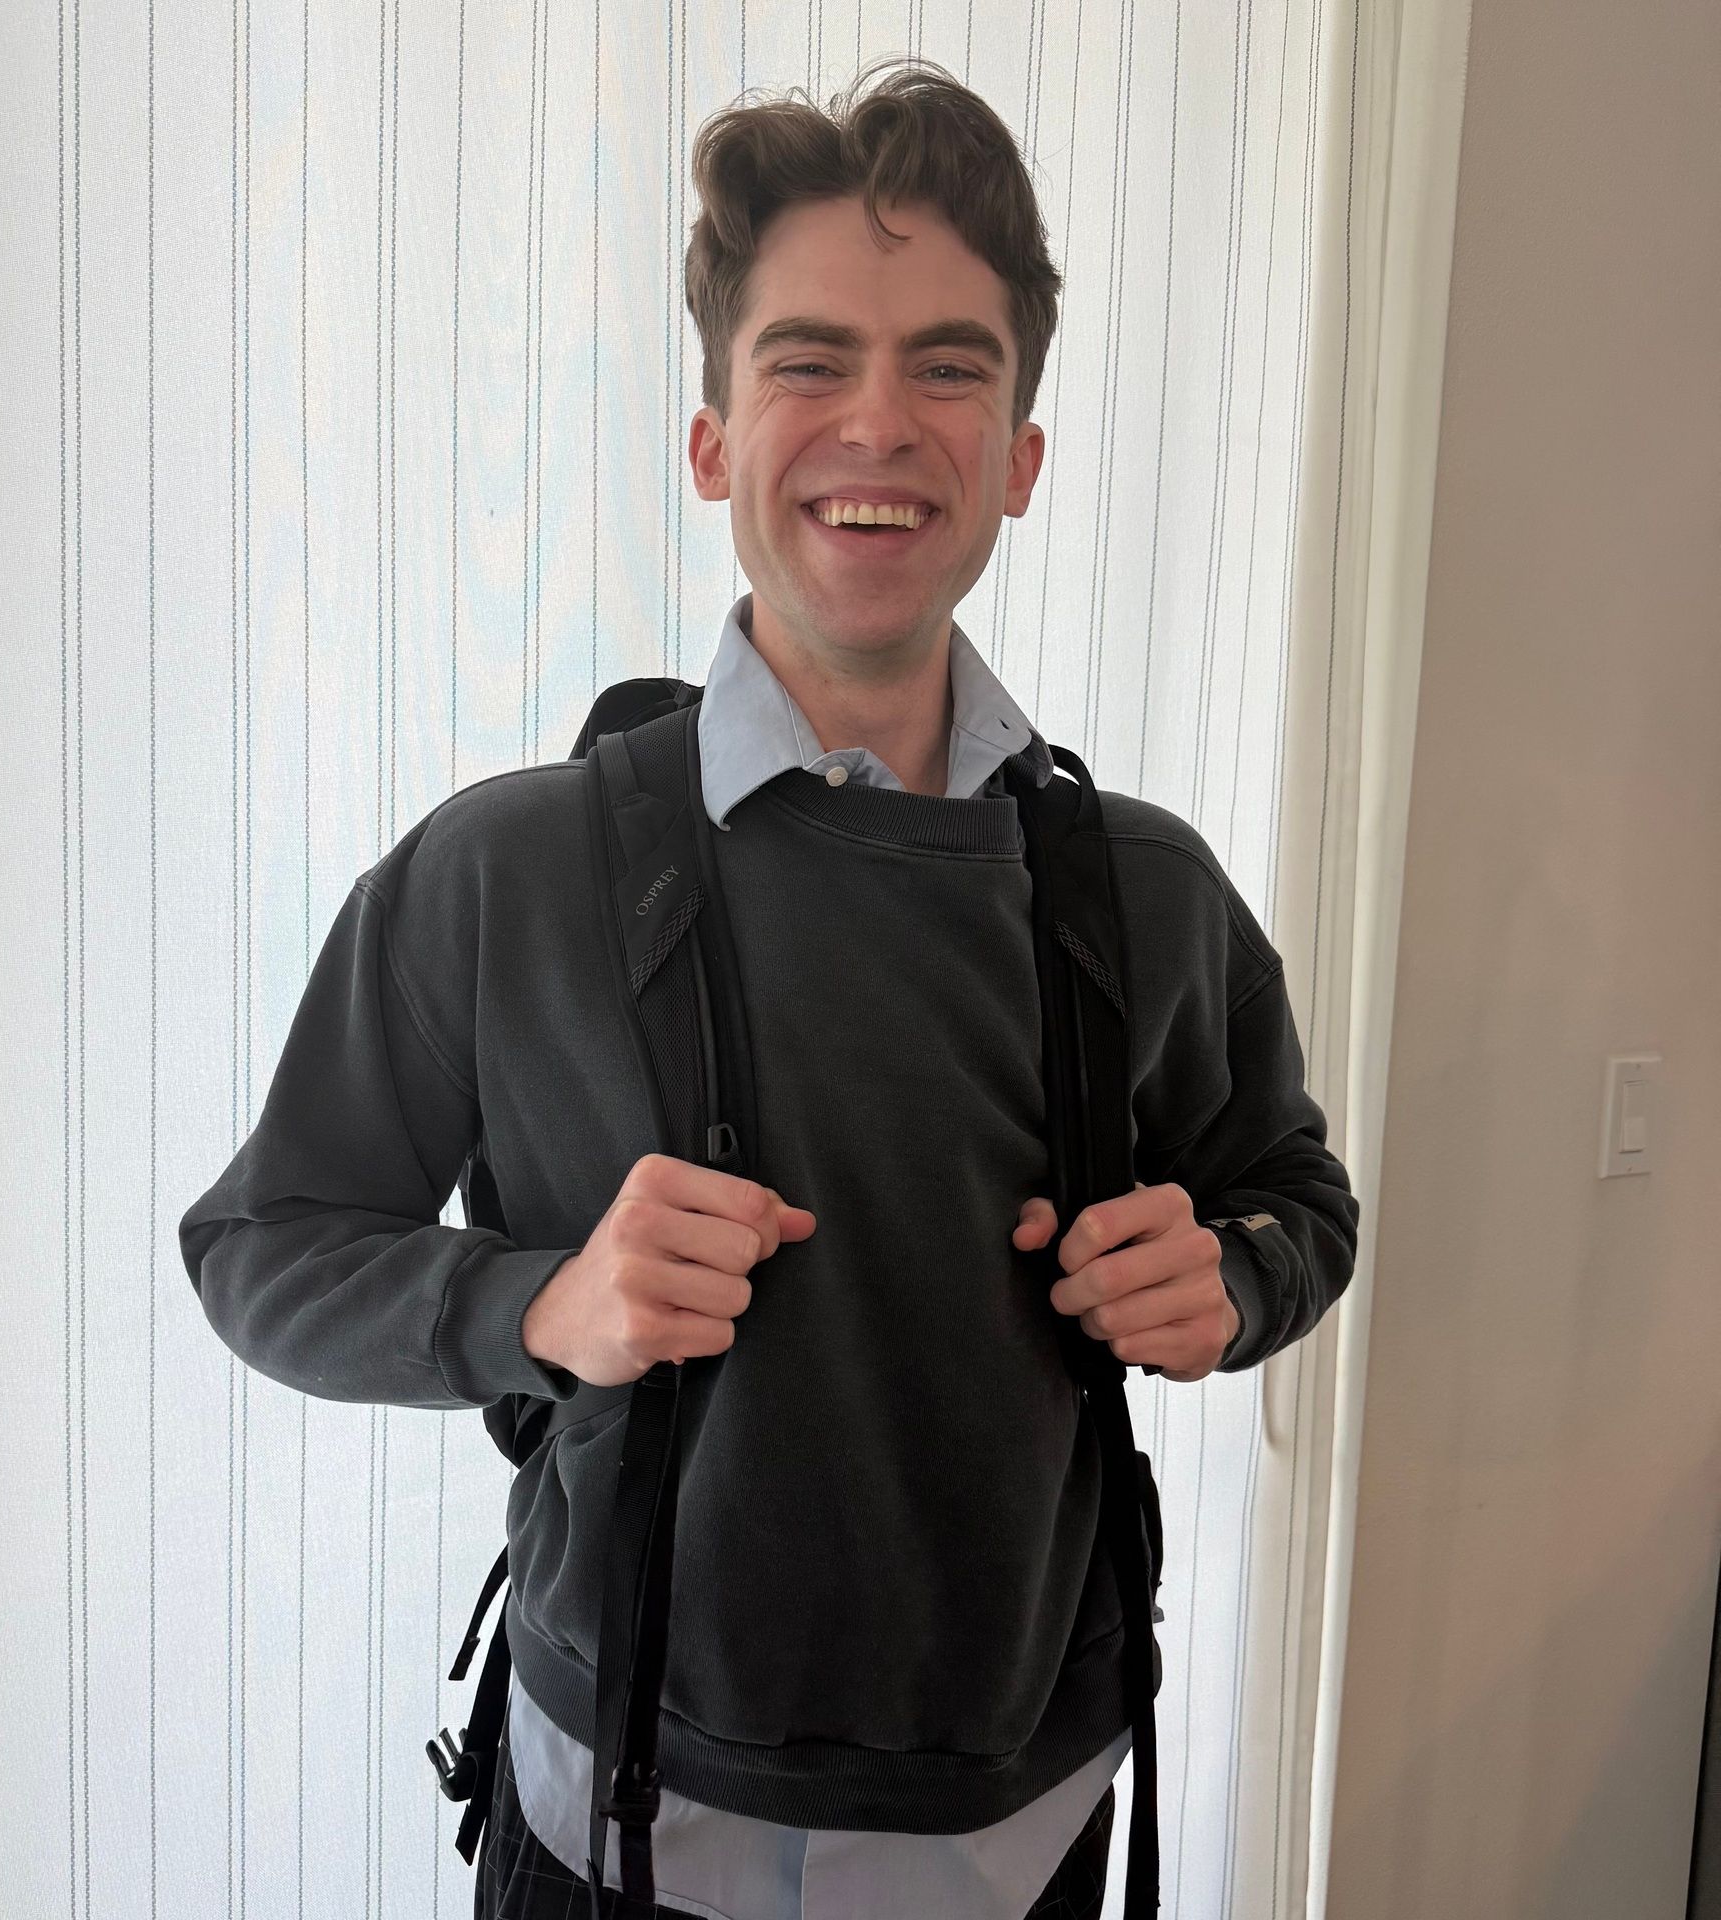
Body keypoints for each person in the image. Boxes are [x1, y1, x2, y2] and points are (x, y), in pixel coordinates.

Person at [179, 54, 1358, 1920]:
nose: (878, 421)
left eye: (949, 367)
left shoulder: (1149, 893)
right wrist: (542, 1301)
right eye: (809, 361)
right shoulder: (505, 872)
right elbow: (266, 1250)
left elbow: (1296, 1199)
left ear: (1020, 458)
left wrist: (1237, 1277)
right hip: (607, 1825)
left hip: (1028, 1831)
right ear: (716, 441)